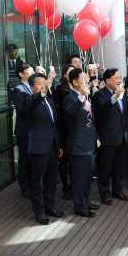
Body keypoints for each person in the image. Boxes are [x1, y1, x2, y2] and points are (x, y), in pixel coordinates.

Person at [24, 73, 64, 225]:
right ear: (32, 86)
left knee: (51, 180)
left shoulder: (51, 101)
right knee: (37, 182)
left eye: (44, 83)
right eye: (39, 83)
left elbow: (55, 126)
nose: (43, 86)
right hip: (38, 148)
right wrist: (42, 93)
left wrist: (59, 145)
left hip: (52, 147)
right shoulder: (29, 101)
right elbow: (30, 107)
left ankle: (50, 207)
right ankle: (39, 212)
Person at [93, 68, 128, 205]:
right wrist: (115, 97)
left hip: (122, 136)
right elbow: (103, 107)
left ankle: (118, 190)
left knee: (119, 167)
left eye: (119, 77)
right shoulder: (100, 95)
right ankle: (104, 193)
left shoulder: (121, 94)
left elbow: (125, 116)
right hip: (108, 137)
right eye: (116, 78)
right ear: (107, 80)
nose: (119, 80)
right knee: (105, 167)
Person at [64, 68, 101, 217]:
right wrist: (81, 96)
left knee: (87, 177)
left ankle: (85, 202)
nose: (86, 80)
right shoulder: (70, 97)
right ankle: (79, 206)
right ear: (74, 82)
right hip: (78, 146)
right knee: (79, 178)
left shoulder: (85, 97)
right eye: (83, 78)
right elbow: (72, 112)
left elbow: (91, 120)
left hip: (90, 143)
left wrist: (96, 136)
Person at [12, 63, 35, 199]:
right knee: (25, 160)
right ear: (21, 74)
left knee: (34, 159)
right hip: (24, 131)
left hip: (35, 129)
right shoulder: (18, 89)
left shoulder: (34, 87)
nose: (33, 72)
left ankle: (33, 184)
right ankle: (25, 187)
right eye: (30, 70)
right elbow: (20, 110)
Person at [54, 64, 75, 200]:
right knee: (63, 160)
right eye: (71, 72)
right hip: (63, 126)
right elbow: (71, 95)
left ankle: (73, 186)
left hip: (74, 126)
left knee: (73, 159)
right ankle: (65, 186)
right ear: (64, 75)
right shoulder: (60, 88)